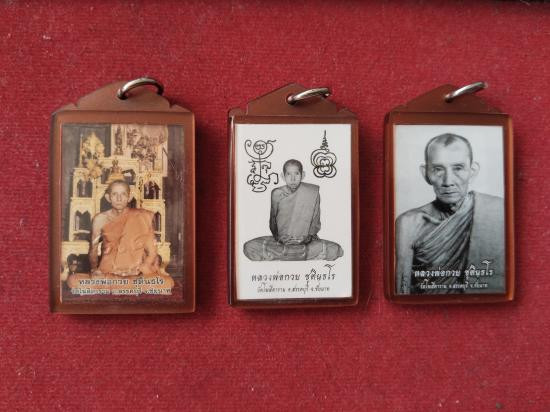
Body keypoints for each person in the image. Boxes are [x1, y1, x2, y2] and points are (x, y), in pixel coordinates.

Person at [395, 133, 505, 294]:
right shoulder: (409, 223)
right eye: (438, 169)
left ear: (472, 171)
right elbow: (401, 290)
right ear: (425, 173)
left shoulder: (497, 212)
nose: (448, 181)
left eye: (458, 168)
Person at [67, 179, 173, 293]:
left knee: (168, 282)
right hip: (109, 271)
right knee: (73, 280)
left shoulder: (142, 217)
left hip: (135, 273)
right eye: (114, 194)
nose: (119, 198)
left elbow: (152, 252)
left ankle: (119, 286)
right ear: (108, 197)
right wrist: (94, 270)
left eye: (123, 194)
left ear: (129, 197)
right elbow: (93, 249)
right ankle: (128, 287)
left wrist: (142, 269)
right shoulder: (100, 219)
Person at [243, 159, 343, 261]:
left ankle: (278, 255)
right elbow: (273, 222)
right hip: (282, 242)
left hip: (306, 242)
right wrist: (279, 238)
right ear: (283, 176)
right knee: (249, 246)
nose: (293, 179)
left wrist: (307, 238)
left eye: (296, 174)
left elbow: (315, 223)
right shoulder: (277, 193)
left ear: (302, 175)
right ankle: (304, 255)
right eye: (288, 174)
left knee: (335, 249)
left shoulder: (312, 192)